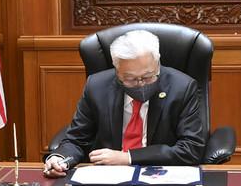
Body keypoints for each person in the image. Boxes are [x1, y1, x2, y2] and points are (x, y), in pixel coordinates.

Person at [43, 28, 207, 178]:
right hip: (108, 179)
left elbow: (191, 149)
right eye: (130, 79)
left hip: (160, 176)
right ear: (117, 70)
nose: (141, 84)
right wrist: (60, 158)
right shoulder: (97, 86)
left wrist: (128, 157)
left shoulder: (182, 87)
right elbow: (76, 140)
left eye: (148, 76)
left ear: (158, 63)